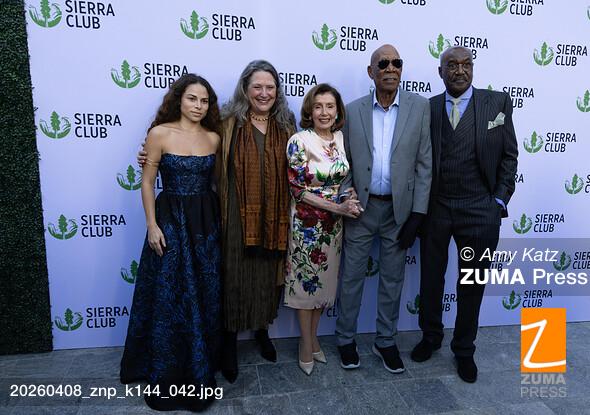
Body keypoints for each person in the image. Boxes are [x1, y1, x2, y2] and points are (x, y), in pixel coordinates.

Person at [410, 46, 518, 383]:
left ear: (473, 68)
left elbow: (509, 156)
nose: (460, 70)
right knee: (431, 278)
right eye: (452, 65)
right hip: (437, 207)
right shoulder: (427, 108)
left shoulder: (497, 103)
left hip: (480, 209)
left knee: (472, 282)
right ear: (440, 72)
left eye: (466, 64)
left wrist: (498, 201)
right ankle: (430, 337)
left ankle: (464, 349)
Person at [121, 74, 222, 412]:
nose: (198, 106)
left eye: (204, 101)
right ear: (179, 99)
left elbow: (219, 183)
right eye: (192, 98)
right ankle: (166, 370)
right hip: (170, 221)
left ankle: (199, 365)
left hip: (205, 224)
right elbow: (147, 183)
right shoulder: (159, 134)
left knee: (203, 293)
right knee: (169, 294)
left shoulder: (214, 138)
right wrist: (152, 226)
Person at [335, 44, 432, 374]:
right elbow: (344, 162)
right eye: (383, 63)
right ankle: (345, 339)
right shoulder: (352, 111)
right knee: (351, 278)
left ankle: (386, 341)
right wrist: (347, 197)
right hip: (360, 210)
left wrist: (417, 214)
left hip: (398, 213)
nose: (391, 68)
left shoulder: (420, 108)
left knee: (393, 280)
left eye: (397, 63)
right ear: (371, 72)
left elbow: (424, 164)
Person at [217, 60, 296, 382]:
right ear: (245, 89)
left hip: (275, 217)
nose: (264, 93)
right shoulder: (227, 123)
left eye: (270, 87)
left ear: (278, 91)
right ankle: (228, 343)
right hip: (237, 216)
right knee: (234, 277)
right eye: (257, 87)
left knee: (266, 276)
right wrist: (152, 153)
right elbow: (196, 145)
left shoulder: (287, 125)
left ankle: (262, 331)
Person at [284, 83, 362, 375]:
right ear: (310, 110)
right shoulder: (299, 140)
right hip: (306, 226)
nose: (324, 112)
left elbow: (343, 180)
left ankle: (314, 338)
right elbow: (298, 190)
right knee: (306, 287)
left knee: (323, 287)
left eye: (330, 106)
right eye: (318, 106)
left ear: (338, 111)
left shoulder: (341, 138)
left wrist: (349, 196)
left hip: (333, 228)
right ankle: (305, 345)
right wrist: (338, 208)